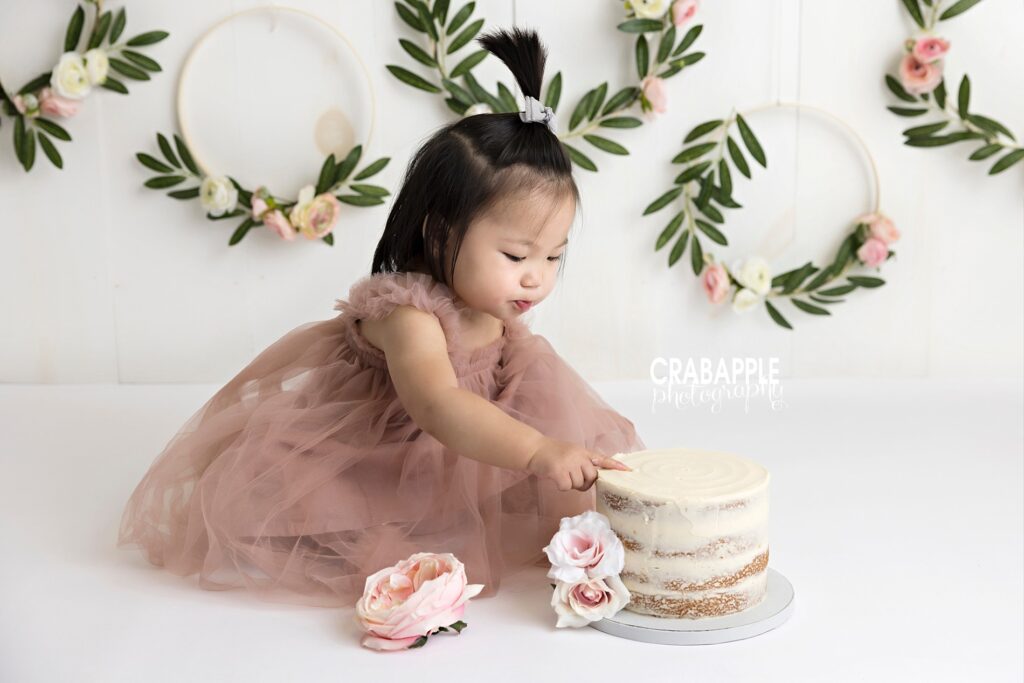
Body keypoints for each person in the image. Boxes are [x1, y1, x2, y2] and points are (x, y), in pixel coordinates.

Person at [117, 26, 646, 608]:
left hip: (460, 460)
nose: (536, 277)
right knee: (348, 520)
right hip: (374, 457)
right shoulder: (408, 314)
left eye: (553, 256)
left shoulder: (496, 315)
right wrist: (538, 451)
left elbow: (514, 401)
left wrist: (557, 447)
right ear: (440, 231)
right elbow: (439, 405)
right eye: (517, 256)